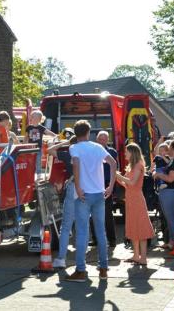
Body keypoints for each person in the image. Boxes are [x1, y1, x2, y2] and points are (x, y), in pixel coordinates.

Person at [65, 120, 117, 282]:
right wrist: (110, 186)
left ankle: (81, 270)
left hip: (84, 195)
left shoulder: (74, 148)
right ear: (88, 133)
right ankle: (103, 268)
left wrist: (79, 187)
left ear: (76, 133)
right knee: (101, 232)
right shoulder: (98, 147)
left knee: (82, 233)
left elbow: (76, 165)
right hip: (99, 193)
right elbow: (113, 163)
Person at [116, 143, 155, 266]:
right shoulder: (132, 166)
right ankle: (136, 255)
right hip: (131, 199)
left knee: (141, 227)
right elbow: (128, 185)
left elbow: (132, 183)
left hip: (137, 200)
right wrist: (119, 179)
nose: (125, 154)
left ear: (132, 153)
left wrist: (119, 176)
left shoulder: (139, 165)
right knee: (133, 227)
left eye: (127, 152)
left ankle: (142, 257)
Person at [49, 136, 78, 269]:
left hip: (73, 188)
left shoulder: (68, 154)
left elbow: (49, 150)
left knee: (66, 226)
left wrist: (64, 143)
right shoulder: (88, 152)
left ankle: (61, 259)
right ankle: (81, 260)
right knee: (83, 225)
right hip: (87, 189)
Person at [152, 140, 174, 250]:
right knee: (169, 218)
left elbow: (171, 179)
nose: (167, 150)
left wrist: (158, 175)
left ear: (173, 149)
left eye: (169, 148)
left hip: (171, 192)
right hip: (169, 192)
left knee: (171, 218)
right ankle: (172, 241)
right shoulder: (173, 161)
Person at [89, 131, 117, 248]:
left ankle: (112, 240)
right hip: (94, 184)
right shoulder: (92, 151)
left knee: (107, 214)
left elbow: (114, 168)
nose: (102, 141)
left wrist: (111, 186)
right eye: (100, 139)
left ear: (107, 140)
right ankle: (95, 239)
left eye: (104, 139)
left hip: (106, 184)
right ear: (97, 139)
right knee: (92, 214)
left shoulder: (111, 152)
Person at [25, 110, 56, 175]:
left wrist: (55, 135)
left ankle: (38, 173)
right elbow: (26, 137)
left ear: (39, 119)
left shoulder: (41, 128)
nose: (32, 119)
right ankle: (30, 173)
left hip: (38, 148)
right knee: (30, 161)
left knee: (38, 161)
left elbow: (48, 132)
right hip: (31, 148)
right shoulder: (29, 127)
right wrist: (25, 145)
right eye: (32, 117)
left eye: (34, 117)